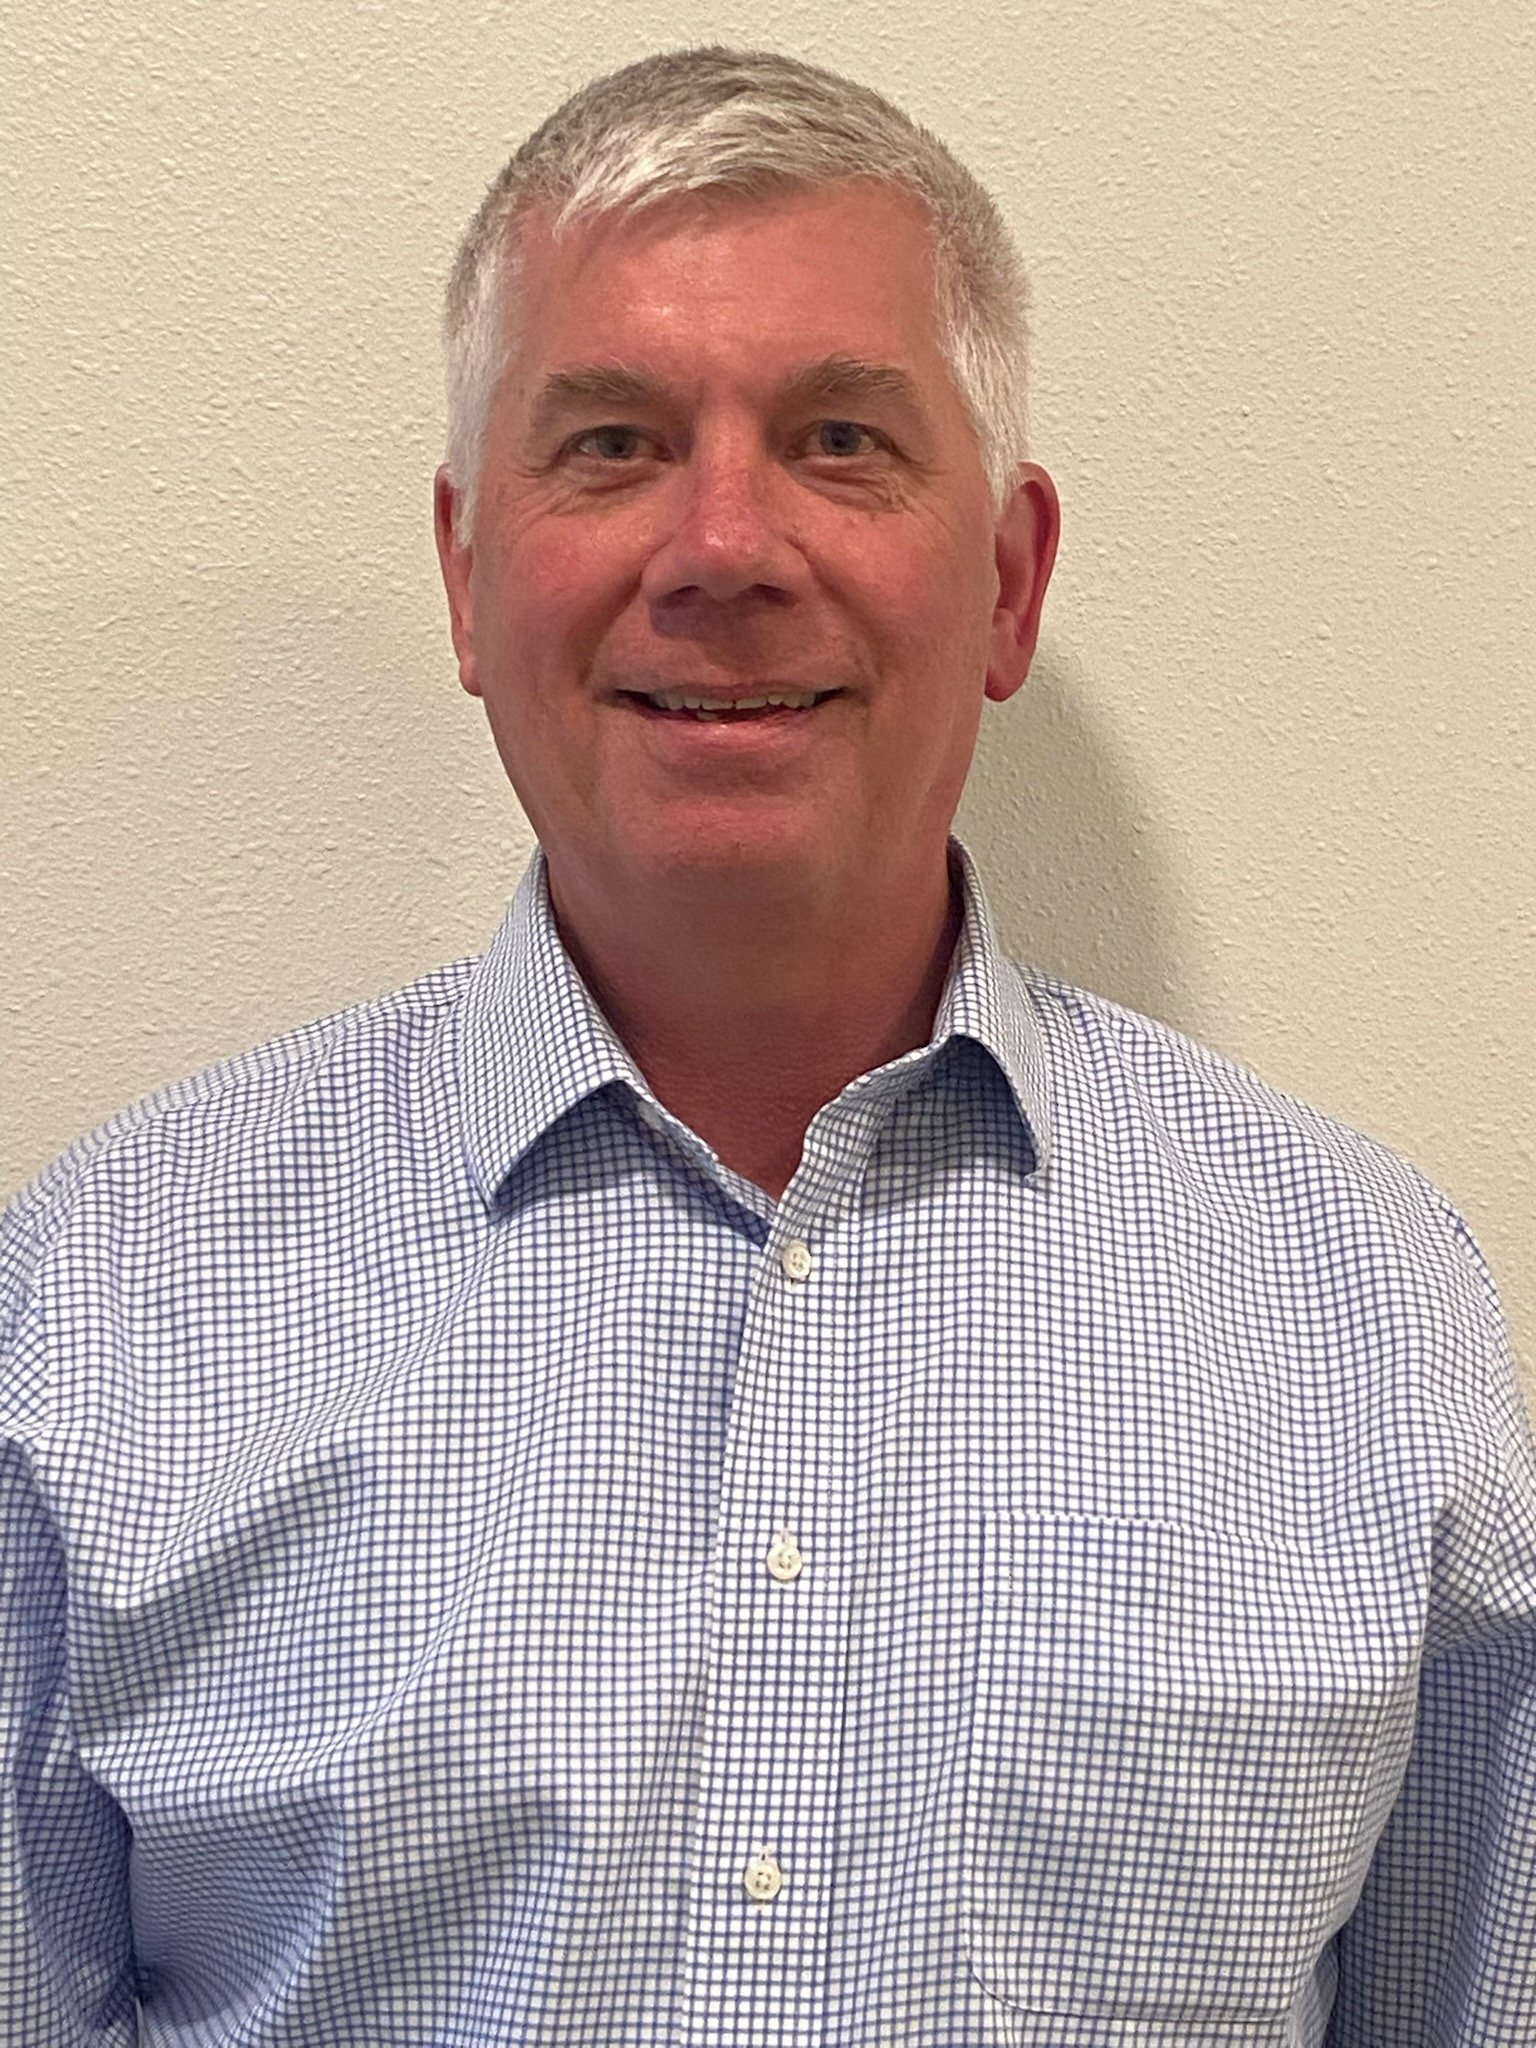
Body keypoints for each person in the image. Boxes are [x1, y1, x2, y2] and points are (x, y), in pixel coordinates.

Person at [2, 45, 1532, 2048]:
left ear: (1005, 576)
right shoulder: (108, 1303)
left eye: (838, 440)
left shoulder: (1366, 1315)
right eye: (615, 444)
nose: (724, 546)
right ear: (470, 576)